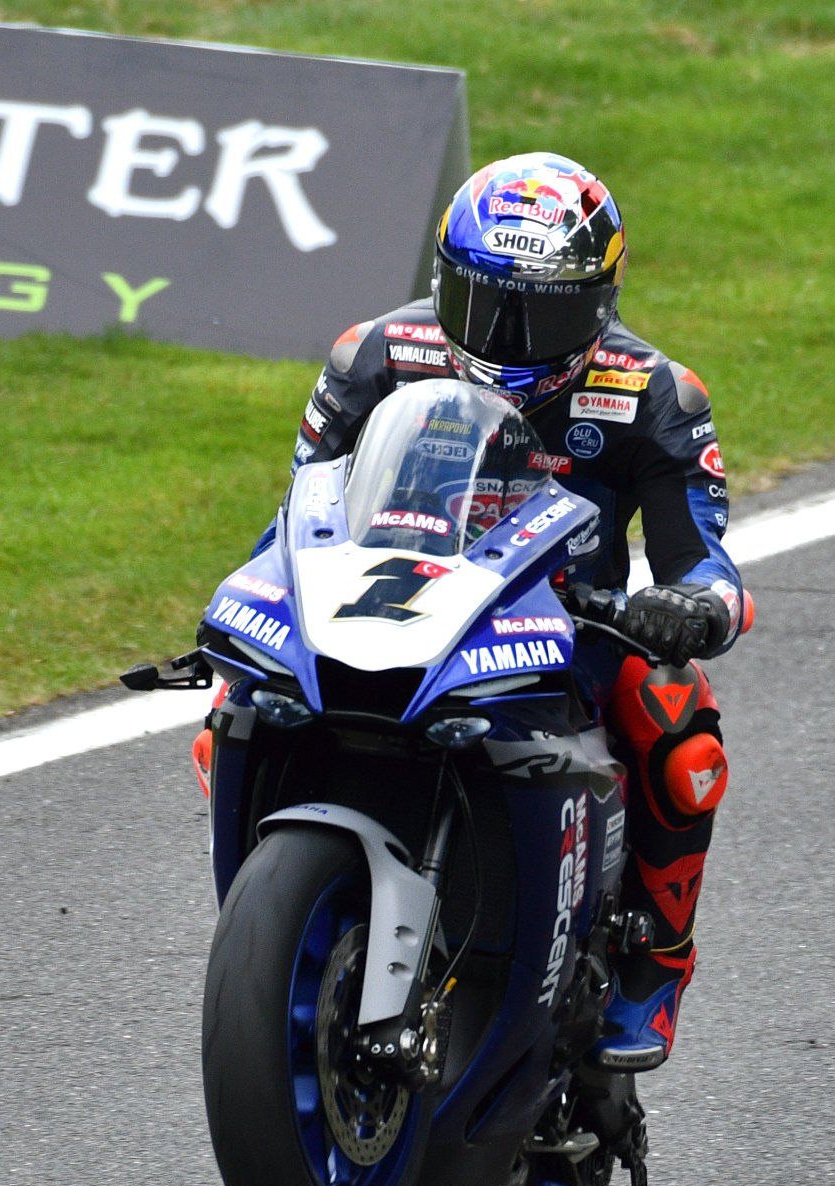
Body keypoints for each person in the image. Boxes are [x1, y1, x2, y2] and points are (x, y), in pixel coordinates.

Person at [287, 151, 745, 1070]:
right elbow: (301, 507)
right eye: (483, 301)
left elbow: (705, 563)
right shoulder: (373, 353)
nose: (507, 334)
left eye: (544, 312)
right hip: (392, 602)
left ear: (600, 303)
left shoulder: (655, 393)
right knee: (239, 694)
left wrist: (690, 607)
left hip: (562, 627)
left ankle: (654, 961)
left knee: (673, 714)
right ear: (442, 281)